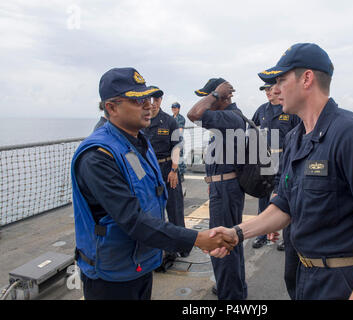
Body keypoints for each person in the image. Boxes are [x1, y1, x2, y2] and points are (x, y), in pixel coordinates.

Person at [208, 43, 353, 300]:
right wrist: (237, 233)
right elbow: (284, 205)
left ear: (307, 78)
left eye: (281, 79)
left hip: (342, 283)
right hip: (302, 275)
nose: (275, 89)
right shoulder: (295, 138)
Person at [71, 67, 234, 300]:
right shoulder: (98, 156)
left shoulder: (138, 142)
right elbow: (133, 220)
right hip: (112, 274)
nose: (148, 105)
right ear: (112, 107)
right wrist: (197, 238)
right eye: (137, 100)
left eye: (147, 98)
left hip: (141, 263)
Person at [187, 78, 247, 300]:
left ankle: (231, 296)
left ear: (222, 97)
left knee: (221, 244)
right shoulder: (229, 117)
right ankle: (234, 288)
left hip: (226, 189)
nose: (207, 102)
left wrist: (215, 94)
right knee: (231, 241)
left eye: (211, 97)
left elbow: (193, 114)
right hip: (223, 186)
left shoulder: (229, 117)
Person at [250, 82, 300, 300]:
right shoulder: (261, 111)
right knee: (264, 197)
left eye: (271, 89)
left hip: (284, 158)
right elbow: (251, 132)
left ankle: (284, 236)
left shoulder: (288, 110)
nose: (269, 93)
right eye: (266, 90)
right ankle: (262, 233)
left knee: (284, 196)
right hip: (265, 159)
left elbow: (300, 133)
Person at [141, 89, 189, 270]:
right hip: (147, 170)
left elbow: (177, 146)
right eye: (149, 99)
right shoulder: (140, 121)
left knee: (175, 208)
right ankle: (157, 247)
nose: (153, 102)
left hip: (167, 167)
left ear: (161, 100)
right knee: (151, 210)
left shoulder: (169, 121)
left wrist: (174, 170)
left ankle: (183, 245)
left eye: (156, 99)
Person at [171, 102, 187, 182]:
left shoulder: (181, 118)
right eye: (173, 108)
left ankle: (181, 174)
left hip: (178, 141)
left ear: (179, 109)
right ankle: (175, 173)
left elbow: (179, 131)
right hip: (171, 141)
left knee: (179, 158)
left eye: (175, 108)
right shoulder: (170, 118)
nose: (174, 109)